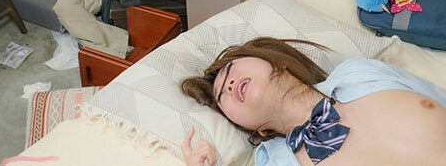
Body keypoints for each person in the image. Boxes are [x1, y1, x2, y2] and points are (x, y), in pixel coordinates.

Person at [180, 37, 446, 166]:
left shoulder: (359, 72)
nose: (228, 84)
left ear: (277, 61)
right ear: (256, 129)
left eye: (231, 69)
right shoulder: (276, 161)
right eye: (222, 96)